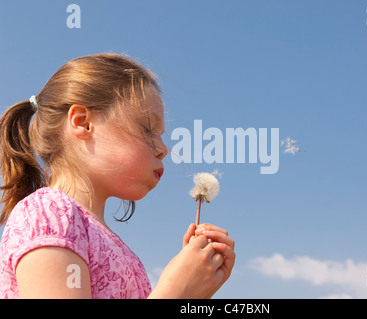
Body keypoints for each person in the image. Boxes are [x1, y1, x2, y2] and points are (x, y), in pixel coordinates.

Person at [0, 53, 235, 299]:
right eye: (148, 128)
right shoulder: (48, 213)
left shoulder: (109, 243)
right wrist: (177, 290)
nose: (163, 149)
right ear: (82, 123)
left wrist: (193, 287)